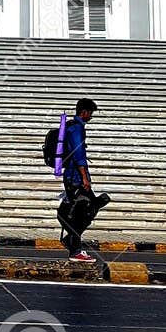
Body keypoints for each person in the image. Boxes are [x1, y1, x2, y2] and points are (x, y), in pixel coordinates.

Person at [58, 97, 100, 262]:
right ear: (84, 112)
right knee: (84, 210)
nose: (91, 117)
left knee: (88, 208)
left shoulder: (73, 127)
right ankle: (75, 250)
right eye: (90, 114)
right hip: (75, 177)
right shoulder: (76, 129)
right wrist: (84, 178)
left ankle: (72, 242)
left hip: (73, 176)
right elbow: (78, 154)